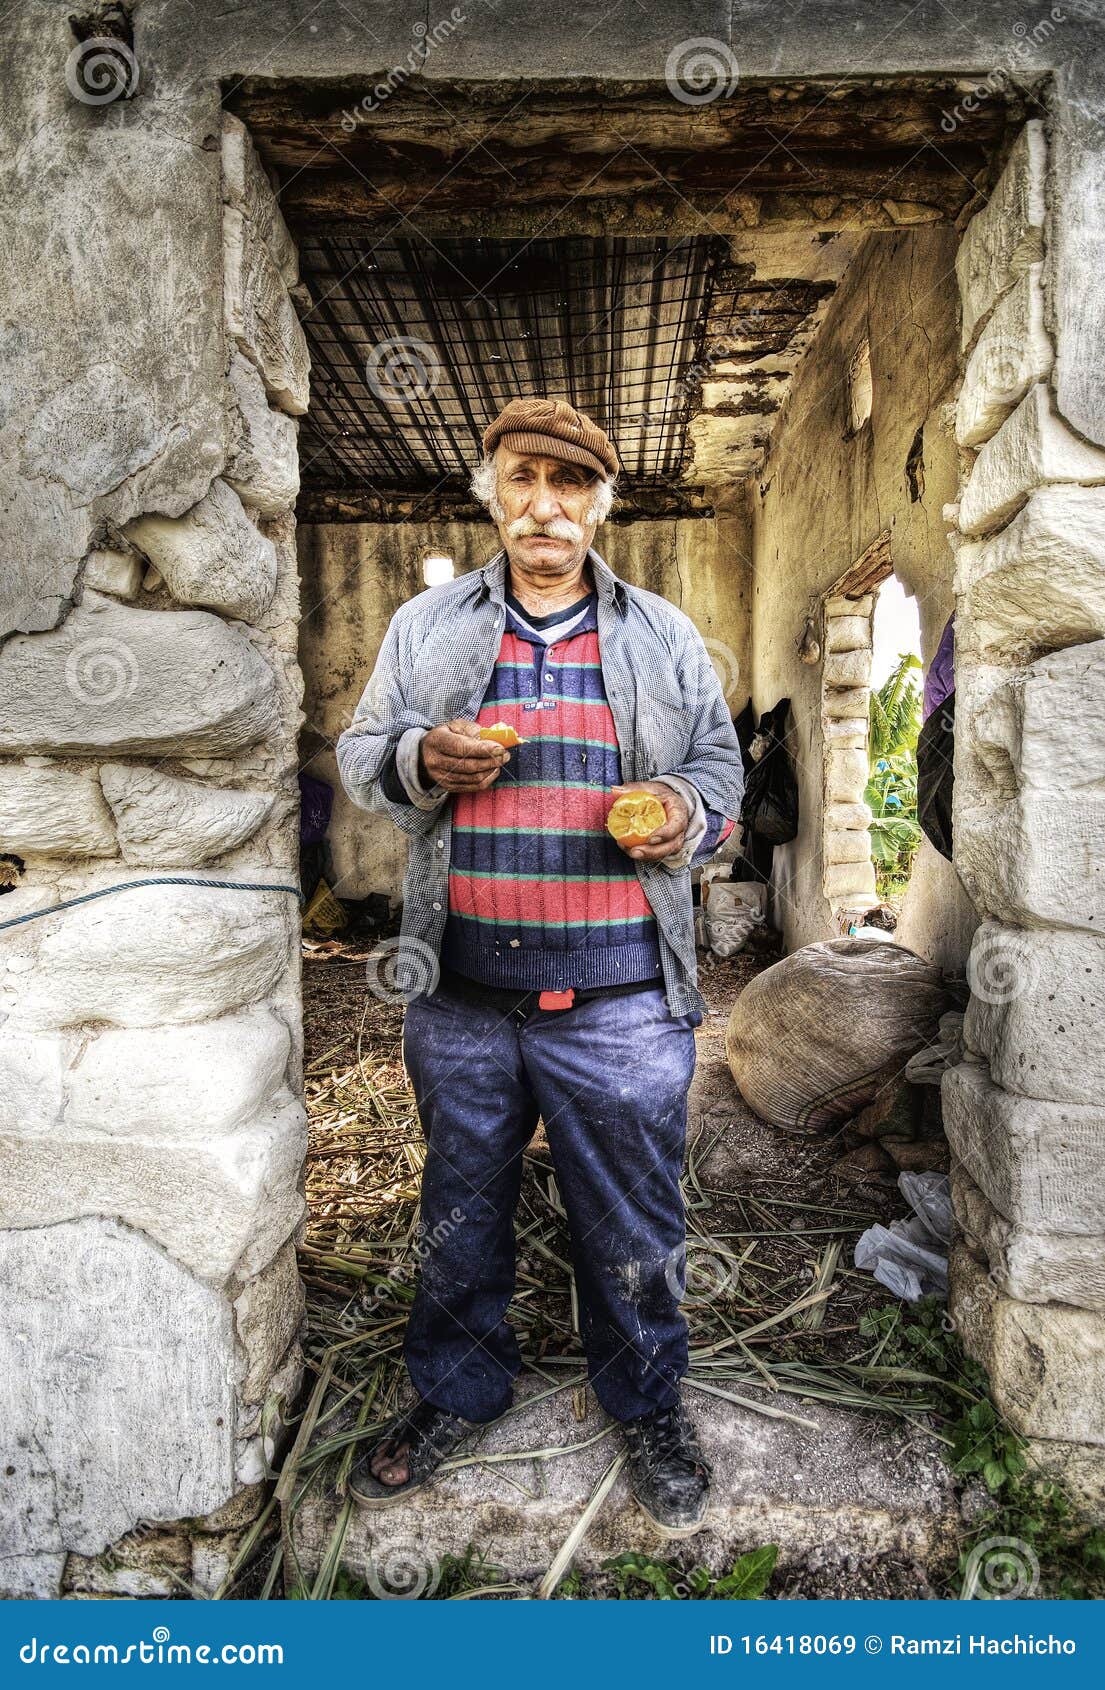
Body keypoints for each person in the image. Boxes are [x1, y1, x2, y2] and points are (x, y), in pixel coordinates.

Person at [336, 396, 744, 1536]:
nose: (544, 505)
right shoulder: (427, 626)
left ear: (599, 506)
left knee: (631, 1217)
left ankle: (647, 1400)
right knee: (460, 1207)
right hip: (463, 996)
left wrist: (684, 810)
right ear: (494, 492)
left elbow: (719, 766)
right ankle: (458, 1389)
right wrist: (422, 756)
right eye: (522, 479)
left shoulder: (661, 632)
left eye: (569, 485)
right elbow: (361, 755)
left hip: (617, 998)